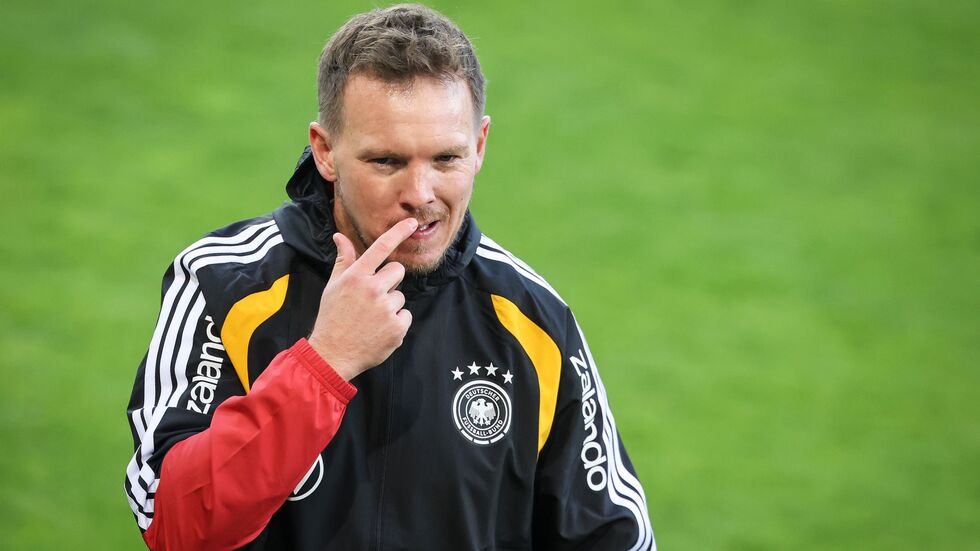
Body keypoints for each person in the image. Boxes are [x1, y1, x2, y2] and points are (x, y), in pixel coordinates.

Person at [124, 4, 655, 550]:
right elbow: (178, 526)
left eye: (446, 158)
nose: (421, 195)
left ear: (479, 146)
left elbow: (613, 538)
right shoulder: (224, 283)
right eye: (386, 161)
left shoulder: (534, 320)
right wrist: (324, 363)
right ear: (325, 151)